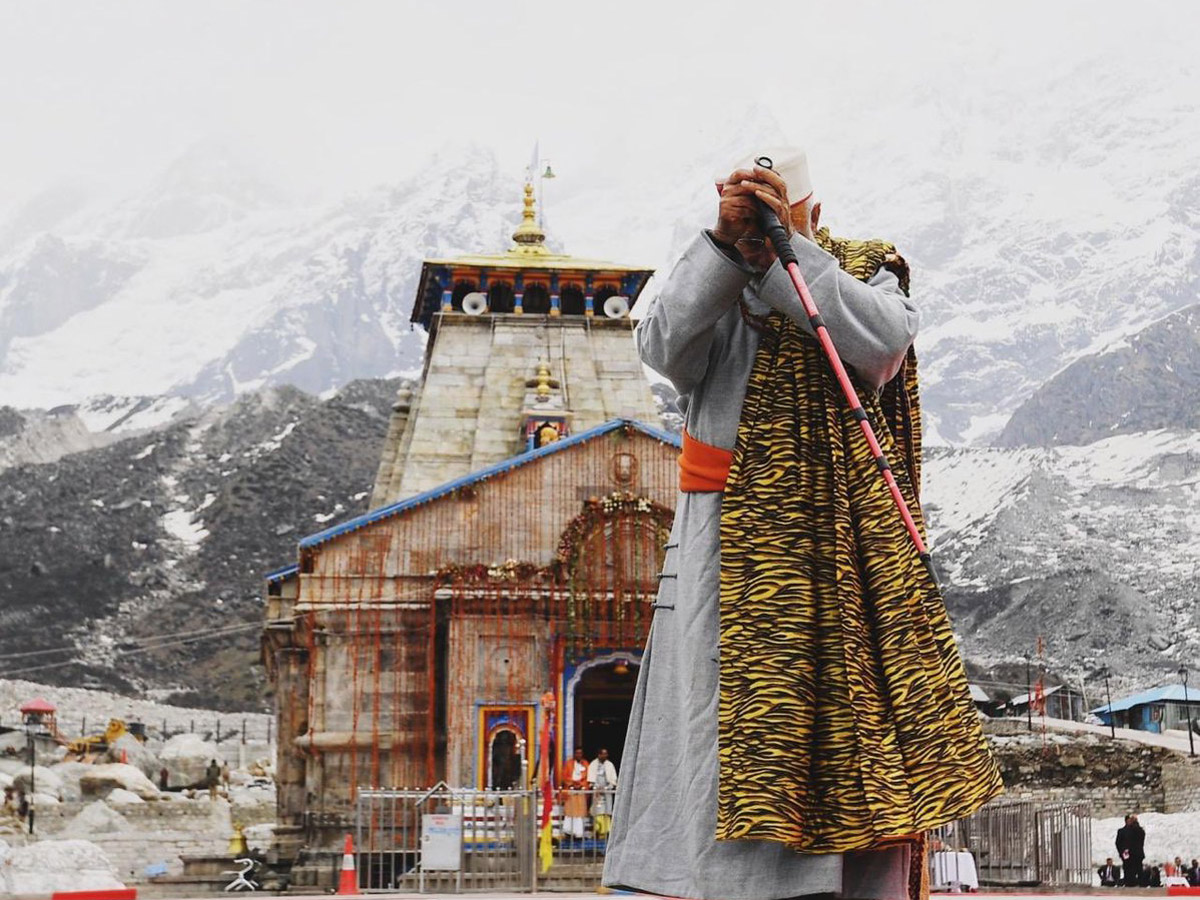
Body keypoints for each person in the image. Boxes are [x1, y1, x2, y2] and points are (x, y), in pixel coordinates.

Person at [602, 147, 1003, 900]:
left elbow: (881, 347)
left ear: (813, 212)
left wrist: (794, 256)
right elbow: (661, 348)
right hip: (727, 560)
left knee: (860, 736)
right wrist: (726, 249)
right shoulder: (719, 285)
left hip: (845, 556)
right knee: (722, 734)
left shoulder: (862, 267)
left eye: (778, 215)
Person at [587, 748, 619, 838]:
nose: (605, 756)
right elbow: (591, 780)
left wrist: (607, 787)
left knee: (606, 811)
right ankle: (597, 829)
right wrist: (597, 787)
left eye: (606, 754)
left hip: (607, 790)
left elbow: (613, 780)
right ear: (599, 755)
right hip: (597, 791)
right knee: (598, 811)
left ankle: (606, 831)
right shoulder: (593, 764)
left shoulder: (609, 765)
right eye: (603, 754)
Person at [559, 747, 589, 840]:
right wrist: (573, 784)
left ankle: (578, 833)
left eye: (580, 753)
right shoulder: (569, 764)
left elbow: (587, 777)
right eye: (577, 753)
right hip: (571, 790)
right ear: (574, 754)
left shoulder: (586, 764)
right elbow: (564, 776)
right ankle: (568, 831)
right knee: (570, 811)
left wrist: (580, 785)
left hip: (580, 791)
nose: (578, 755)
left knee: (579, 812)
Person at [1117, 814, 1146, 887]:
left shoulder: (1137, 829)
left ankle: (1140, 884)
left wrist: (1136, 822)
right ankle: (1129, 884)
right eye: (1130, 820)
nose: (1131, 822)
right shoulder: (1122, 831)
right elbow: (1118, 843)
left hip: (1137, 854)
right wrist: (1122, 853)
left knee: (1139, 869)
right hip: (1127, 854)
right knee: (1128, 870)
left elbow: (1140, 836)